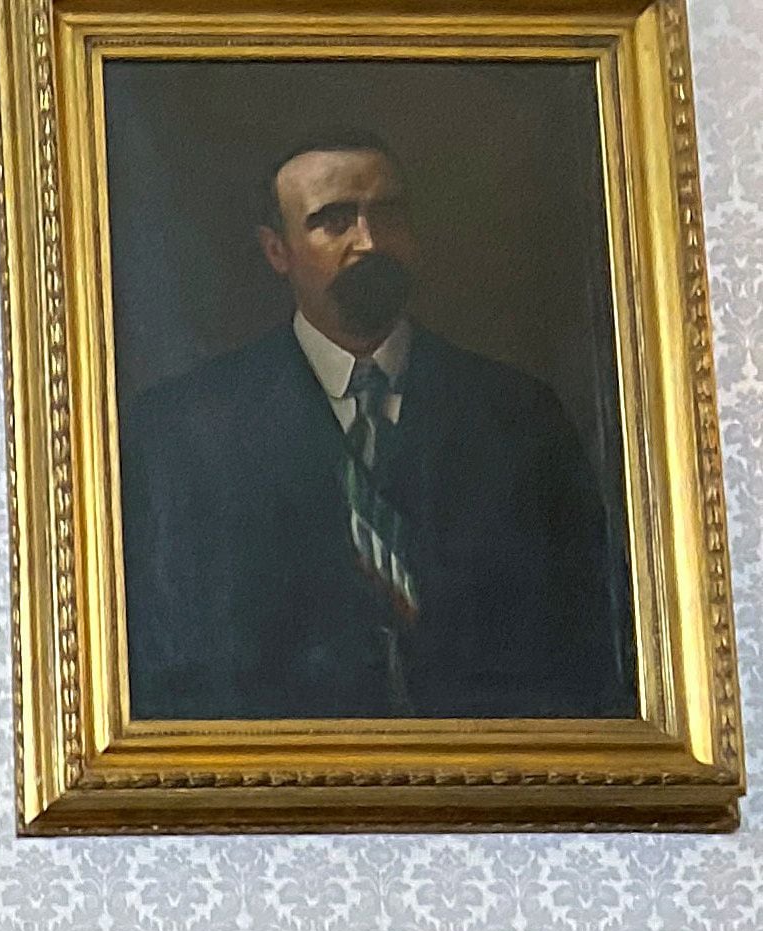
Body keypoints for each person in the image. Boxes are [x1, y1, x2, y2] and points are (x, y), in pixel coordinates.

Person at [121, 128, 631, 719]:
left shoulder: (519, 417)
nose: (368, 241)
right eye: (333, 221)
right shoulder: (182, 433)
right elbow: (165, 663)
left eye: (387, 215)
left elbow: (590, 642)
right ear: (276, 250)